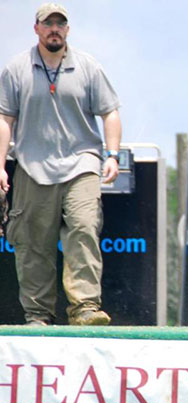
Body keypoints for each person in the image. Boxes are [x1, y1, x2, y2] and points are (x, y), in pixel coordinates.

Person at [0, 3, 122, 326]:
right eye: (48, 23)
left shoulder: (88, 67)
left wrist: (112, 155)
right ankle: (38, 315)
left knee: (84, 228)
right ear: (36, 28)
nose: (54, 28)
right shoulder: (15, 69)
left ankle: (85, 307)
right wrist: (0, 165)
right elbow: (4, 119)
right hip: (32, 165)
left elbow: (110, 112)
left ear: (67, 30)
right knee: (33, 242)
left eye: (60, 23)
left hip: (81, 163)